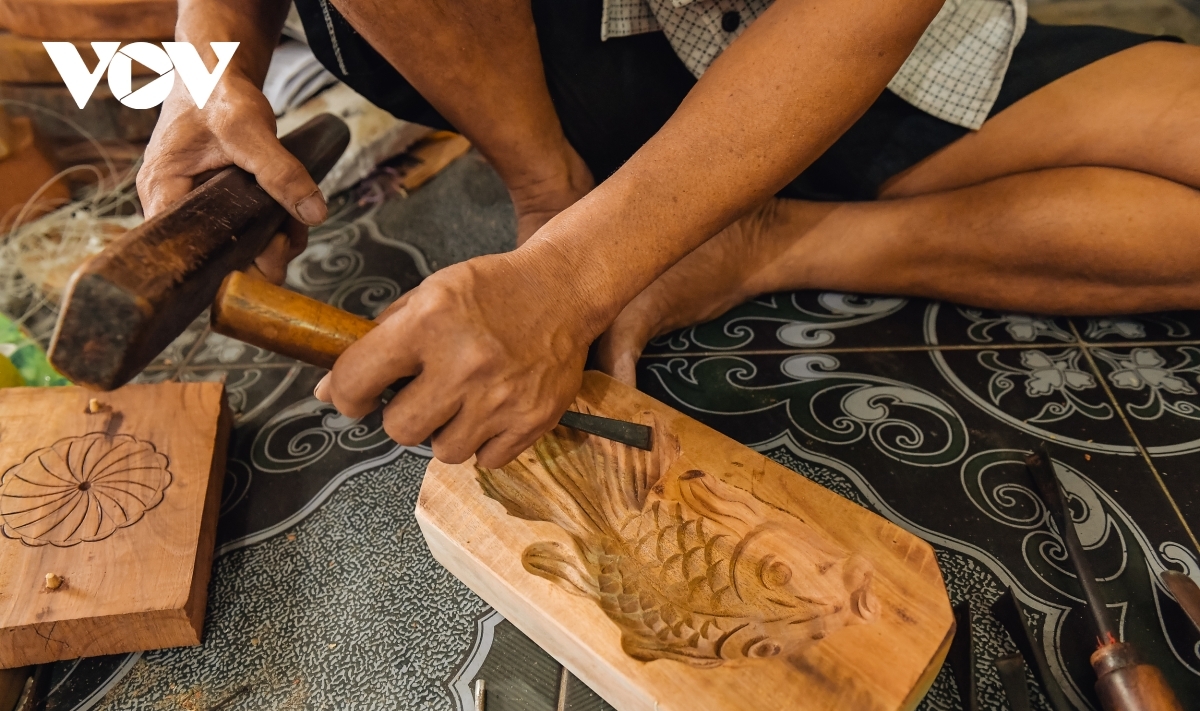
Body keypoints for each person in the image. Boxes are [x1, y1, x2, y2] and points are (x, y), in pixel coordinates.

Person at [139, 0, 1200, 468]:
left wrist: (570, 278)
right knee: (561, 204)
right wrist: (209, 72)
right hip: (533, 61)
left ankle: (771, 239)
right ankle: (553, 188)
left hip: (803, 40)